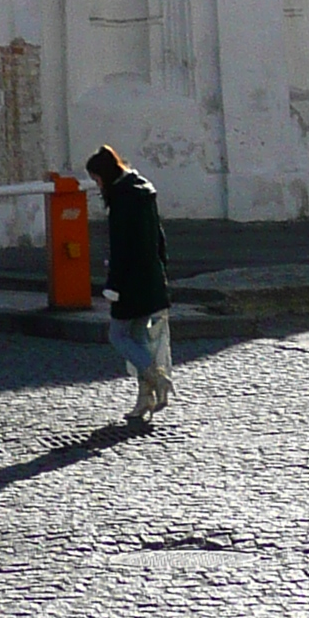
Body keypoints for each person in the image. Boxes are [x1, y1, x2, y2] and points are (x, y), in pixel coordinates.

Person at [88, 141, 173, 425]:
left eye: (96, 178)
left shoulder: (121, 199)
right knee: (138, 339)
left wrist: (113, 285)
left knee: (118, 335)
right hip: (150, 276)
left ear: (105, 175)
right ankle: (144, 399)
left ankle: (156, 377)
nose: (97, 185)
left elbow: (121, 249)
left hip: (131, 281)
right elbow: (159, 236)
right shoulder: (143, 191)